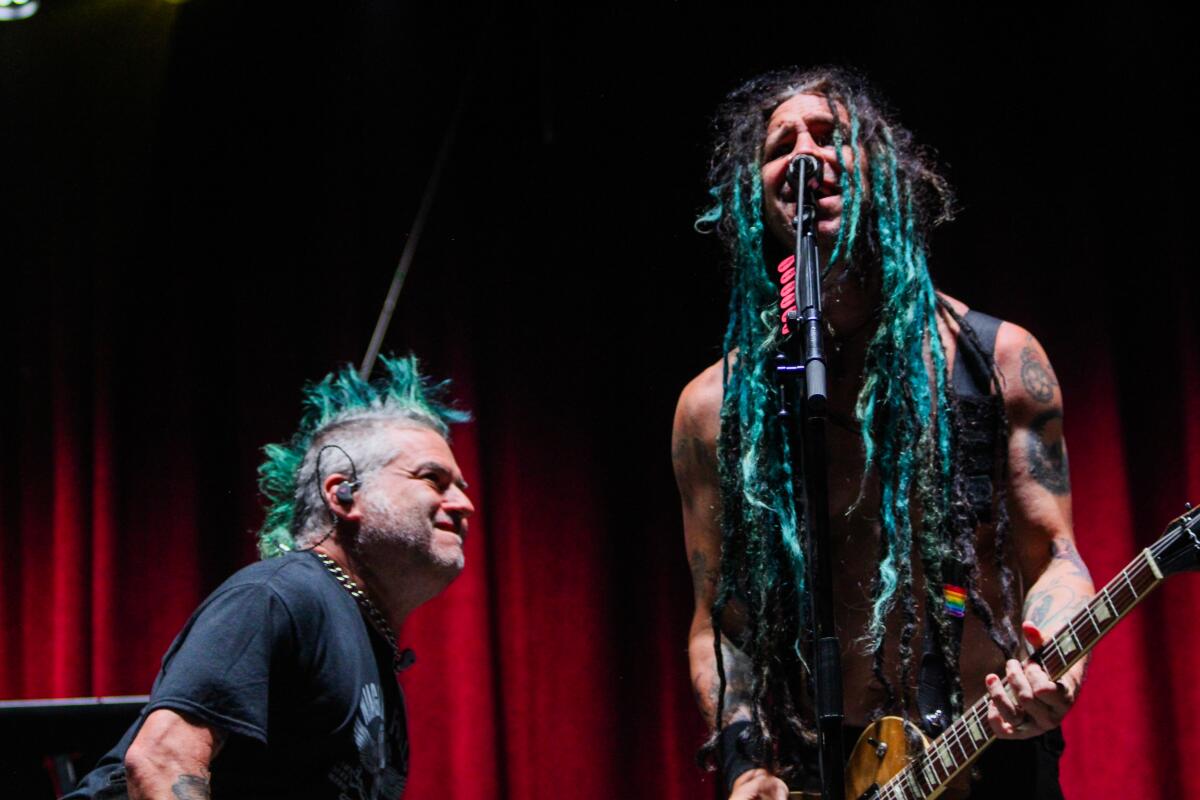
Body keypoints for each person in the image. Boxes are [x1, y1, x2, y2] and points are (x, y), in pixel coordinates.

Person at [671, 68, 1093, 800]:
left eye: (833, 137)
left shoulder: (996, 363)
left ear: (886, 173)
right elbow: (721, 622)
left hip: (983, 755)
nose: (806, 154)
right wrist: (744, 764)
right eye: (781, 145)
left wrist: (1051, 661)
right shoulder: (713, 409)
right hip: (816, 774)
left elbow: (1057, 556)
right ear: (753, 193)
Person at [65, 355, 474, 800]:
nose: (463, 505)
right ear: (342, 494)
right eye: (433, 479)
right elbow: (162, 761)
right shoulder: (280, 595)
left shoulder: (368, 638)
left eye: (461, 488)